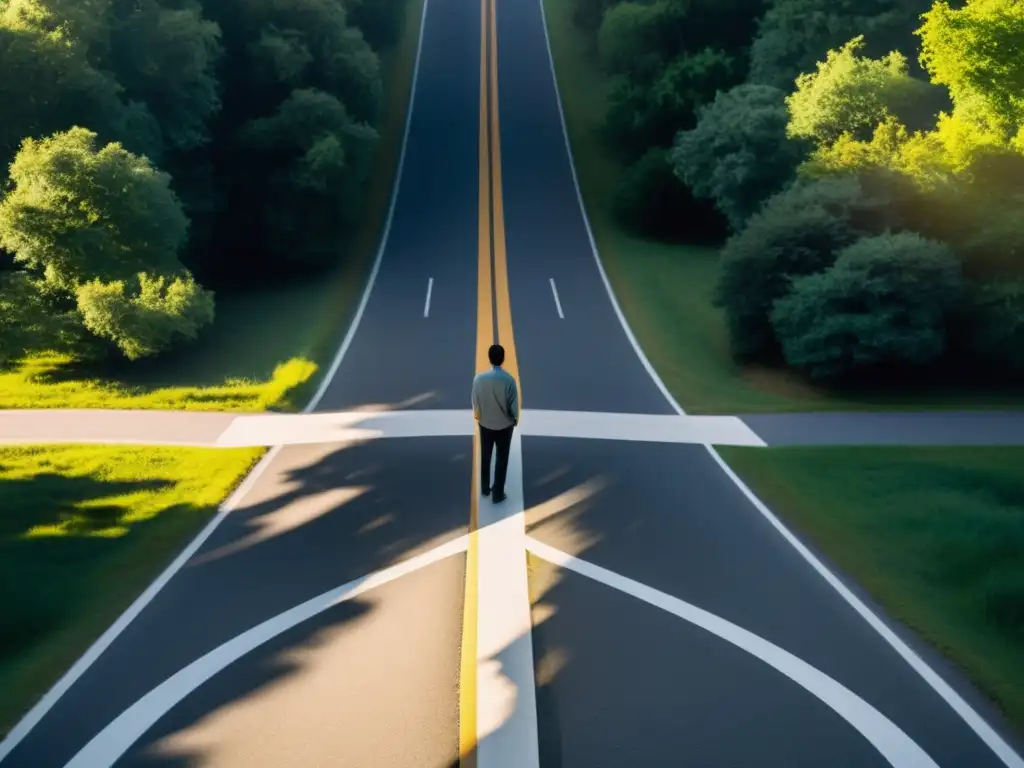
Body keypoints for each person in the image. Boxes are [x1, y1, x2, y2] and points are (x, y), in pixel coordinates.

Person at [471, 343, 519, 503]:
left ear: (489, 358)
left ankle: (485, 489)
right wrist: (514, 420)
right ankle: (497, 494)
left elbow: (475, 401)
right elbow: (513, 406)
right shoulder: (510, 381)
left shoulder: (479, 379)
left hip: (485, 424)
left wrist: (479, 417)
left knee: (486, 455)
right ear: (503, 359)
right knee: (502, 458)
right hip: (505, 426)